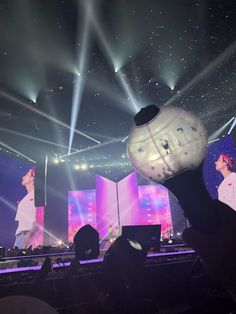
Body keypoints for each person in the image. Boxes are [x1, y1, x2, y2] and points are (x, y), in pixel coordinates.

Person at [14, 168, 38, 249]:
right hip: (20, 236)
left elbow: (38, 218)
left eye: (27, 174)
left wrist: (29, 235)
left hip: (29, 235)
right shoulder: (24, 199)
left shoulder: (37, 195)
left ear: (33, 178)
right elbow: (21, 223)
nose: (23, 177)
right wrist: (16, 241)